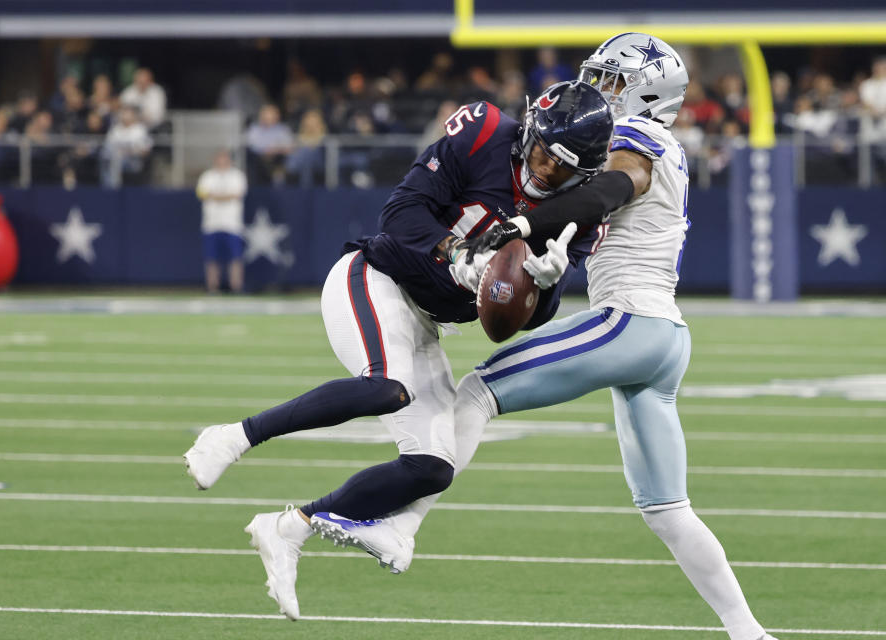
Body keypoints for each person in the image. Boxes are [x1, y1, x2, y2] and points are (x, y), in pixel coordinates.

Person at [332, 33, 780, 640]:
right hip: (666, 340)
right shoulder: (644, 143)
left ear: (647, 94)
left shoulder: (636, 140)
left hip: (629, 322)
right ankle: (749, 630)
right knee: (668, 511)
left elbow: (611, 189)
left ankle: (401, 526)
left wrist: (525, 220)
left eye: (614, 80)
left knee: (475, 392)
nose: (600, 88)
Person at [183, 80, 616, 620]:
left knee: (434, 469)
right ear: (528, 130)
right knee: (387, 387)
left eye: (563, 169)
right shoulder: (482, 134)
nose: (547, 172)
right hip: (376, 276)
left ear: (587, 174)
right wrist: (455, 254)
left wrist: (545, 286)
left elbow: (512, 325)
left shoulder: (580, 210)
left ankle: (288, 527)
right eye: (542, 154)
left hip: (427, 320)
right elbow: (401, 212)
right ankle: (235, 435)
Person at [196, 149, 248, 293]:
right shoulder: (207, 176)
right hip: (211, 224)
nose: (222, 161)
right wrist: (225, 196)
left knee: (235, 257)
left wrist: (215, 196)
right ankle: (212, 287)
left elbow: (237, 194)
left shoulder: (237, 176)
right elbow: (202, 194)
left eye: (224, 158)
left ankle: (236, 286)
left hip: (232, 224)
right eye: (219, 158)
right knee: (211, 258)